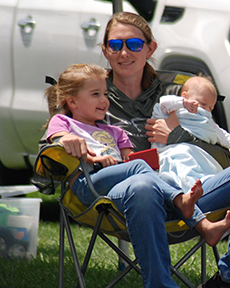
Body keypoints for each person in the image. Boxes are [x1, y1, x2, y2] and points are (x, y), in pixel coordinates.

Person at [61, 11, 230, 288]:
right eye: (115, 45)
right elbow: (58, 134)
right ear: (105, 50)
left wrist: (177, 135)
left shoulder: (180, 94)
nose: (124, 53)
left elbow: (221, 152)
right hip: (122, 202)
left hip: (192, 192)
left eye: (134, 44)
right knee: (142, 184)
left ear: (150, 48)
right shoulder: (92, 91)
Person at [44, 63, 202, 220]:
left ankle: (200, 222)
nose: (104, 100)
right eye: (95, 94)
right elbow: (61, 143)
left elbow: (130, 159)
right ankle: (180, 201)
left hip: (119, 186)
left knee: (165, 178)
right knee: (138, 168)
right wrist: (94, 158)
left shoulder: (116, 132)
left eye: (105, 94)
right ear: (72, 102)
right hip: (88, 183)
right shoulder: (62, 122)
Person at [151, 76, 230, 192]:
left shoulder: (206, 118)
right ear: (185, 96)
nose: (207, 110)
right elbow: (164, 103)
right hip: (177, 149)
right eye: (203, 104)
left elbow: (219, 131)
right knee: (182, 163)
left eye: (211, 108)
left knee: (205, 167)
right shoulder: (178, 109)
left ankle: (202, 185)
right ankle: (188, 189)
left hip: (199, 152)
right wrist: (183, 103)